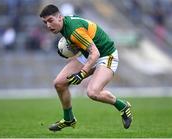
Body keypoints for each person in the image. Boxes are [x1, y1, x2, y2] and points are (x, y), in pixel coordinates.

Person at [40, 4, 132, 132]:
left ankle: (123, 106)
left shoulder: (74, 31)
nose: (48, 26)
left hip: (106, 55)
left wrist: (82, 73)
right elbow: (87, 44)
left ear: (60, 17)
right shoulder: (66, 25)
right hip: (88, 55)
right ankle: (69, 119)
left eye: (51, 20)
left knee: (93, 92)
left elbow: (95, 53)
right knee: (59, 83)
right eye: (45, 22)